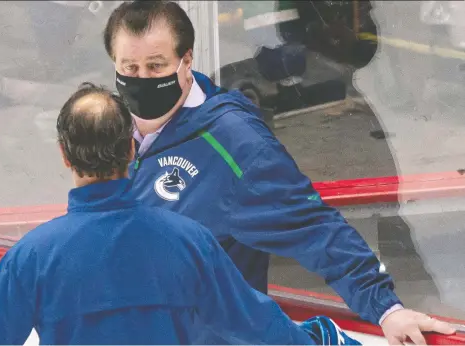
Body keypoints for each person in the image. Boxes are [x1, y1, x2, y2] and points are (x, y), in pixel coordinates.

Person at [103, 1, 456, 345]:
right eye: (130, 68)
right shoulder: (111, 128)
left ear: (187, 60)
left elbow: (313, 227)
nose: (141, 79)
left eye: (156, 65)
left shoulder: (234, 143)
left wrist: (386, 309)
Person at [0, 82, 361, 345]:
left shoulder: (32, 257)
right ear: (131, 148)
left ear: (64, 156)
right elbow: (255, 324)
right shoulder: (188, 241)